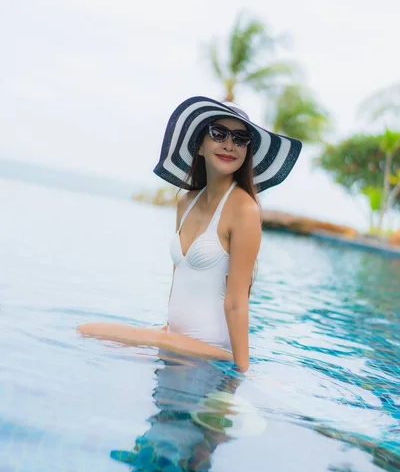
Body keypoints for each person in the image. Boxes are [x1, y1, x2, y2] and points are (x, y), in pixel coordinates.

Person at [78, 96, 302, 372]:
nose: (230, 145)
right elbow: (178, 281)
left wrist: (241, 375)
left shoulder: (244, 209)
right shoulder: (186, 202)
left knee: (87, 330)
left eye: (241, 138)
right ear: (199, 146)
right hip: (176, 340)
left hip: (212, 348)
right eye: (219, 134)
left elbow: (236, 301)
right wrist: (166, 330)